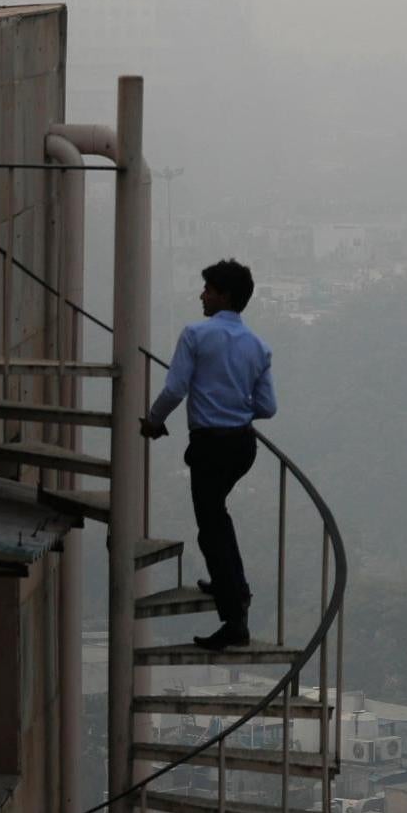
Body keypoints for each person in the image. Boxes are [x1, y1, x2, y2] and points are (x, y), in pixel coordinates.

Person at [142, 259, 278, 651]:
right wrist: (236, 406)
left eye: (209, 289)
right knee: (217, 517)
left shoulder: (196, 335)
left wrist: (153, 422)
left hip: (209, 444)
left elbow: (174, 390)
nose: (202, 295)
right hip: (241, 446)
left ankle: (235, 618)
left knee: (211, 525)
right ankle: (232, 586)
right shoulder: (258, 346)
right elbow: (267, 407)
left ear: (225, 296)